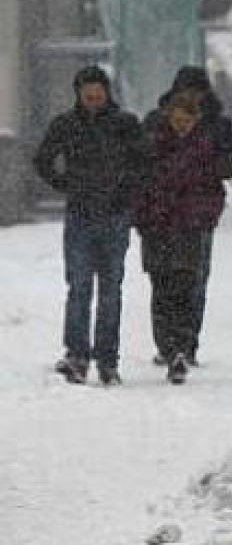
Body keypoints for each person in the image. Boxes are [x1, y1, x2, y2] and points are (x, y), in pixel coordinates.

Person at [33, 65, 144, 385]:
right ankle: (77, 354)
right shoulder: (65, 125)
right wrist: (65, 184)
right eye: (87, 93)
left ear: (107, 93)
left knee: (110, 290)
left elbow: (144, 163)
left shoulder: (125, 125)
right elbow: (43, 160)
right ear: (79, 94)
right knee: (79, 288)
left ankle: (107, 359)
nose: (93, 98)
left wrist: (125, 192)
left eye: (98, 93)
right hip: (80, 215)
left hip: (114, 217)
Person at [143, 65, 232, 366]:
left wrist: (207, 171)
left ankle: (186, 343)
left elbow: (230, 165)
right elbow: (141, 169)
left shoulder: (217, 126)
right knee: (162, 281)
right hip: (160, 216)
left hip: (196, 216)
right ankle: (167, 343)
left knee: (194, 280)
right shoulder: (155, 124)